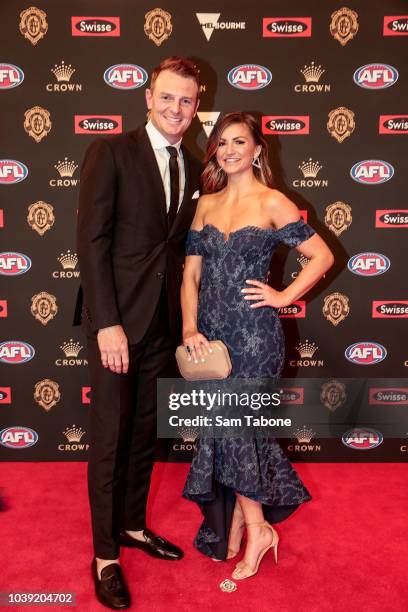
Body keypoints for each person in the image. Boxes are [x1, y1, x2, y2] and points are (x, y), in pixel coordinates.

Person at [180, 112, 334, 580]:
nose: (228, 150)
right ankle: (236, 527)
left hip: (255, 336)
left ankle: (257, 531)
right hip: (211, 334)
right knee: (227, 432)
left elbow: (322, 255)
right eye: (221, 142)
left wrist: (284, 296)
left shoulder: (273, 202)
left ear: (257, 150)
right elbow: (190, 275)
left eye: (238, 141)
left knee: (238, 431)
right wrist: (189, 329)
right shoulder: (206, 204)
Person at [75, 57, 202, 609]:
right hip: (117, 321)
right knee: (110, 439)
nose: (176, 109)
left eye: (187, 101)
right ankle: (105, 555)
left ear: (196, 108)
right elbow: (92, 241)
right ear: (148, 97)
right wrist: (106, 323)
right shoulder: (113, 151)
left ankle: (131, 526)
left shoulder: (194, 166)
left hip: (163, 326)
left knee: (145, 434)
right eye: (168, 97)